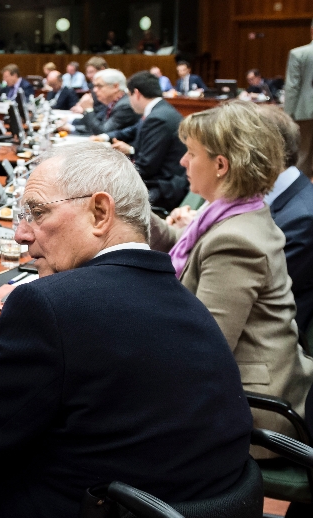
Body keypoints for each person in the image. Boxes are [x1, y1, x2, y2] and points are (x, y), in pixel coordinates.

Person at [0, 143, 252, 518]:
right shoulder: (185, 301)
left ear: (100, 212)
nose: (20, 234)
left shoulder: (49, 305)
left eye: (38, 212)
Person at [150, 101, 313, 444]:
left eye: (191, 153)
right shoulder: (236, 211)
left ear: (221, 165)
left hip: (250, 408)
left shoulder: (236, 240)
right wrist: (131, 208)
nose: (183, 162)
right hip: (241, 384)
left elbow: (205, 347)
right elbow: (184, 246)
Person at [258, 106, 313, 335]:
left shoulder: (303, 219)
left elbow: (260, 292)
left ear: (264, 153)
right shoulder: (264, 195)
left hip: (268, 335)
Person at [108, 71, 189, 212]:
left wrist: (111, 175)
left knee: (107, 197)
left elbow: (146, 167)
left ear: (136, 93)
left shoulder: (158, 118)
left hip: (163, 187)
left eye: (129, 95)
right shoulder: (159, 110)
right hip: (162, 180)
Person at [69, 68, 138, 137]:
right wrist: (71, 128)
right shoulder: (111, 102)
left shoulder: (125, 106)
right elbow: (98, 125)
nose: (95, 90)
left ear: (115, 87)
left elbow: (103, 132)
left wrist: (88, 109)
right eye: (94, 86)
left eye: (99, 86)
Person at [284, 19, 313, 176]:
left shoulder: (298, 54)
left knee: (303, 154)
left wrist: (287, 115)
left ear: (311, 31)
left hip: (304, 111)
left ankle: (302, 188)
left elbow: (292, 87)